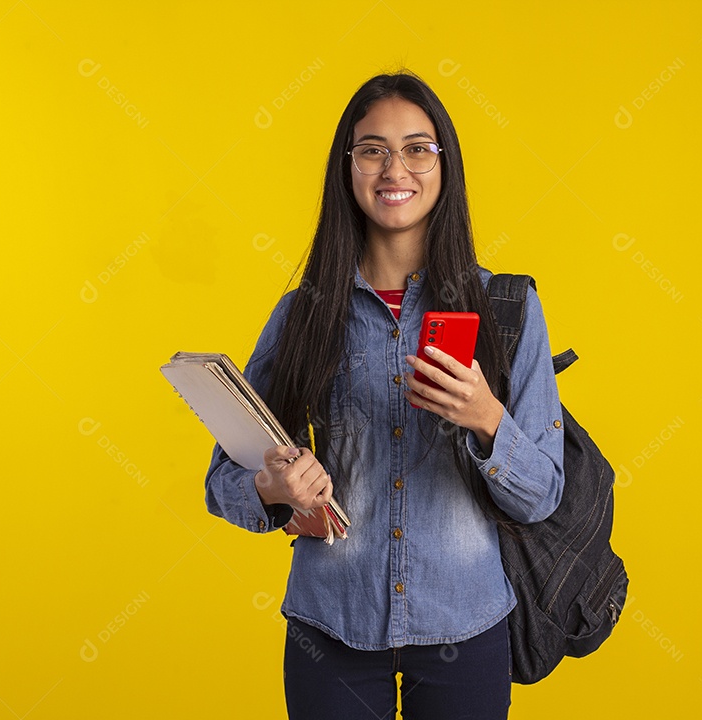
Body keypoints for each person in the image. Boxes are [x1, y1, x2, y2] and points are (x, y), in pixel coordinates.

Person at [205, 70, 565, 720]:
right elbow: (222, 481)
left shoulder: (508, 309)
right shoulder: (302, 314)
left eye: (416, 148)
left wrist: (487, 419)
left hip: (467, 626)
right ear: (348, 167)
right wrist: (275, 490)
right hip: (330, 628)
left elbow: (541, 495)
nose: (393, 167)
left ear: (444, 163)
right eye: (372, 148)